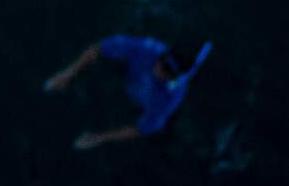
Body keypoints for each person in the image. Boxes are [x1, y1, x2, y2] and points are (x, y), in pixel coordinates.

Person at [46, 34, 212, 150]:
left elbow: (142, 129)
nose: (158, 69)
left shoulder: (172, 97)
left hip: (142, 104)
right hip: (129, 80)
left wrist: (99, 138)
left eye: (167, 70)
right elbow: (100, 47)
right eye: (162, 61)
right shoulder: (149, 49)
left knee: (161, 136)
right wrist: (68, 74)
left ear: (177, 77)